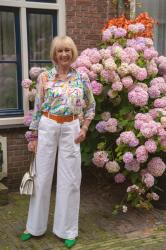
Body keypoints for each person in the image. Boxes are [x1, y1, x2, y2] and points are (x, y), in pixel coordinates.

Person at [20, 36, 96, 248]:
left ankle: (67, 229)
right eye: (60, 51)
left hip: (71, 128)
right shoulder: (44, 77)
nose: (64, 54)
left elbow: (91, 106)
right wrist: (33, 136)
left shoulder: (82, 78)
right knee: (41, 178)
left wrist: (84, 128)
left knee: (70, 180)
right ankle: (34, 227)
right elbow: (38, 108)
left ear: (73, 53)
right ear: (54, 54)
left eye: (68, 50)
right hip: (48, 126)